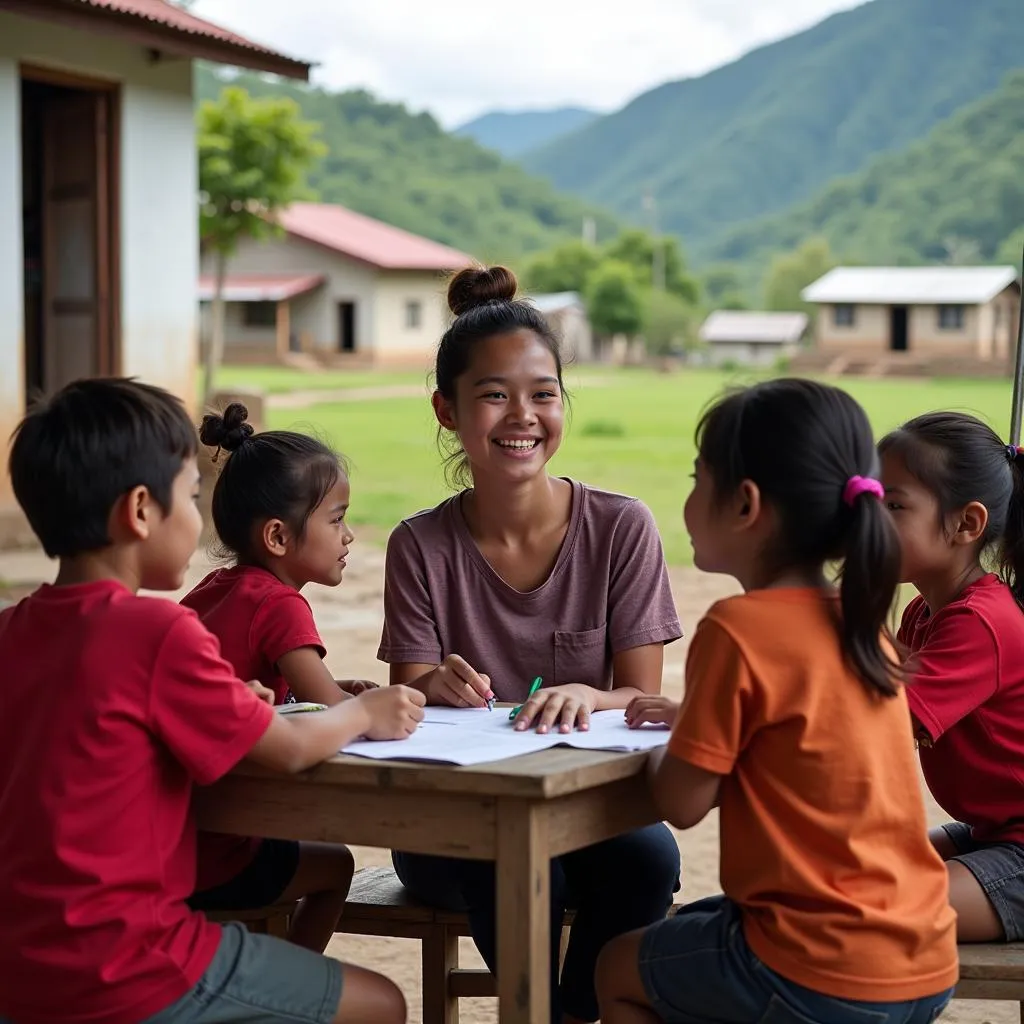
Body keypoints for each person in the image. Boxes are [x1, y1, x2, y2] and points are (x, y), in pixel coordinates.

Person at [0, 378, 425, 1024]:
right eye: (192, 498)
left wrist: (238, 703)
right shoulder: (156, 631)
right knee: (384, 1004)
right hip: (127, 964)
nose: (201, 521)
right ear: (141, 511)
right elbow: (287, 751)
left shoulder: (10, 629)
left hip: (19, 967)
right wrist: (364, 712)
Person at [597, 379, 957, 1024]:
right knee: (707, 922)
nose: (687, 498)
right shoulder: (862, 619)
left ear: (744, 504)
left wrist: (670, 748)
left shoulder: (738, 628)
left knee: (617, 969)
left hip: (821, 967)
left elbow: (680, 803)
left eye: (695, 477)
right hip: (922, 954)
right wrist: (699, 721)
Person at [377, 265, 683, 1024]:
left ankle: (567, 1013)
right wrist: (431, 687)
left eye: (543, 393)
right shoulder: (419, 545)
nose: (523, 415)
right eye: (493, 395)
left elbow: (640, 699)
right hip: (453, 830)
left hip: (585, 817)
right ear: (447, 410)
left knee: (651, 861)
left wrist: (593, 693)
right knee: (498, 858)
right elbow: (408, 709)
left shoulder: (621, 528)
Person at [180, 403, 376, 952]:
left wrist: (340, 688)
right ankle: (296, 980)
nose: (350, 536)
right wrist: (366, 704)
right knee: (335, 865)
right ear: (277, 537)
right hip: (219, 855)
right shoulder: (280, 606)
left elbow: (310, 695)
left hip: (177, 839)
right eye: (336, 520)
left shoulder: (216, 589)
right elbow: (338, 713)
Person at [879, 411, 1024, 943]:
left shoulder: (979, 622)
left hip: (1020, 851)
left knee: (862, 906)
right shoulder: (924, 611)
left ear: (966, 524)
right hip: (991, 832)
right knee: (843, 874)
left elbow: (880, 722)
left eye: (893, 506)